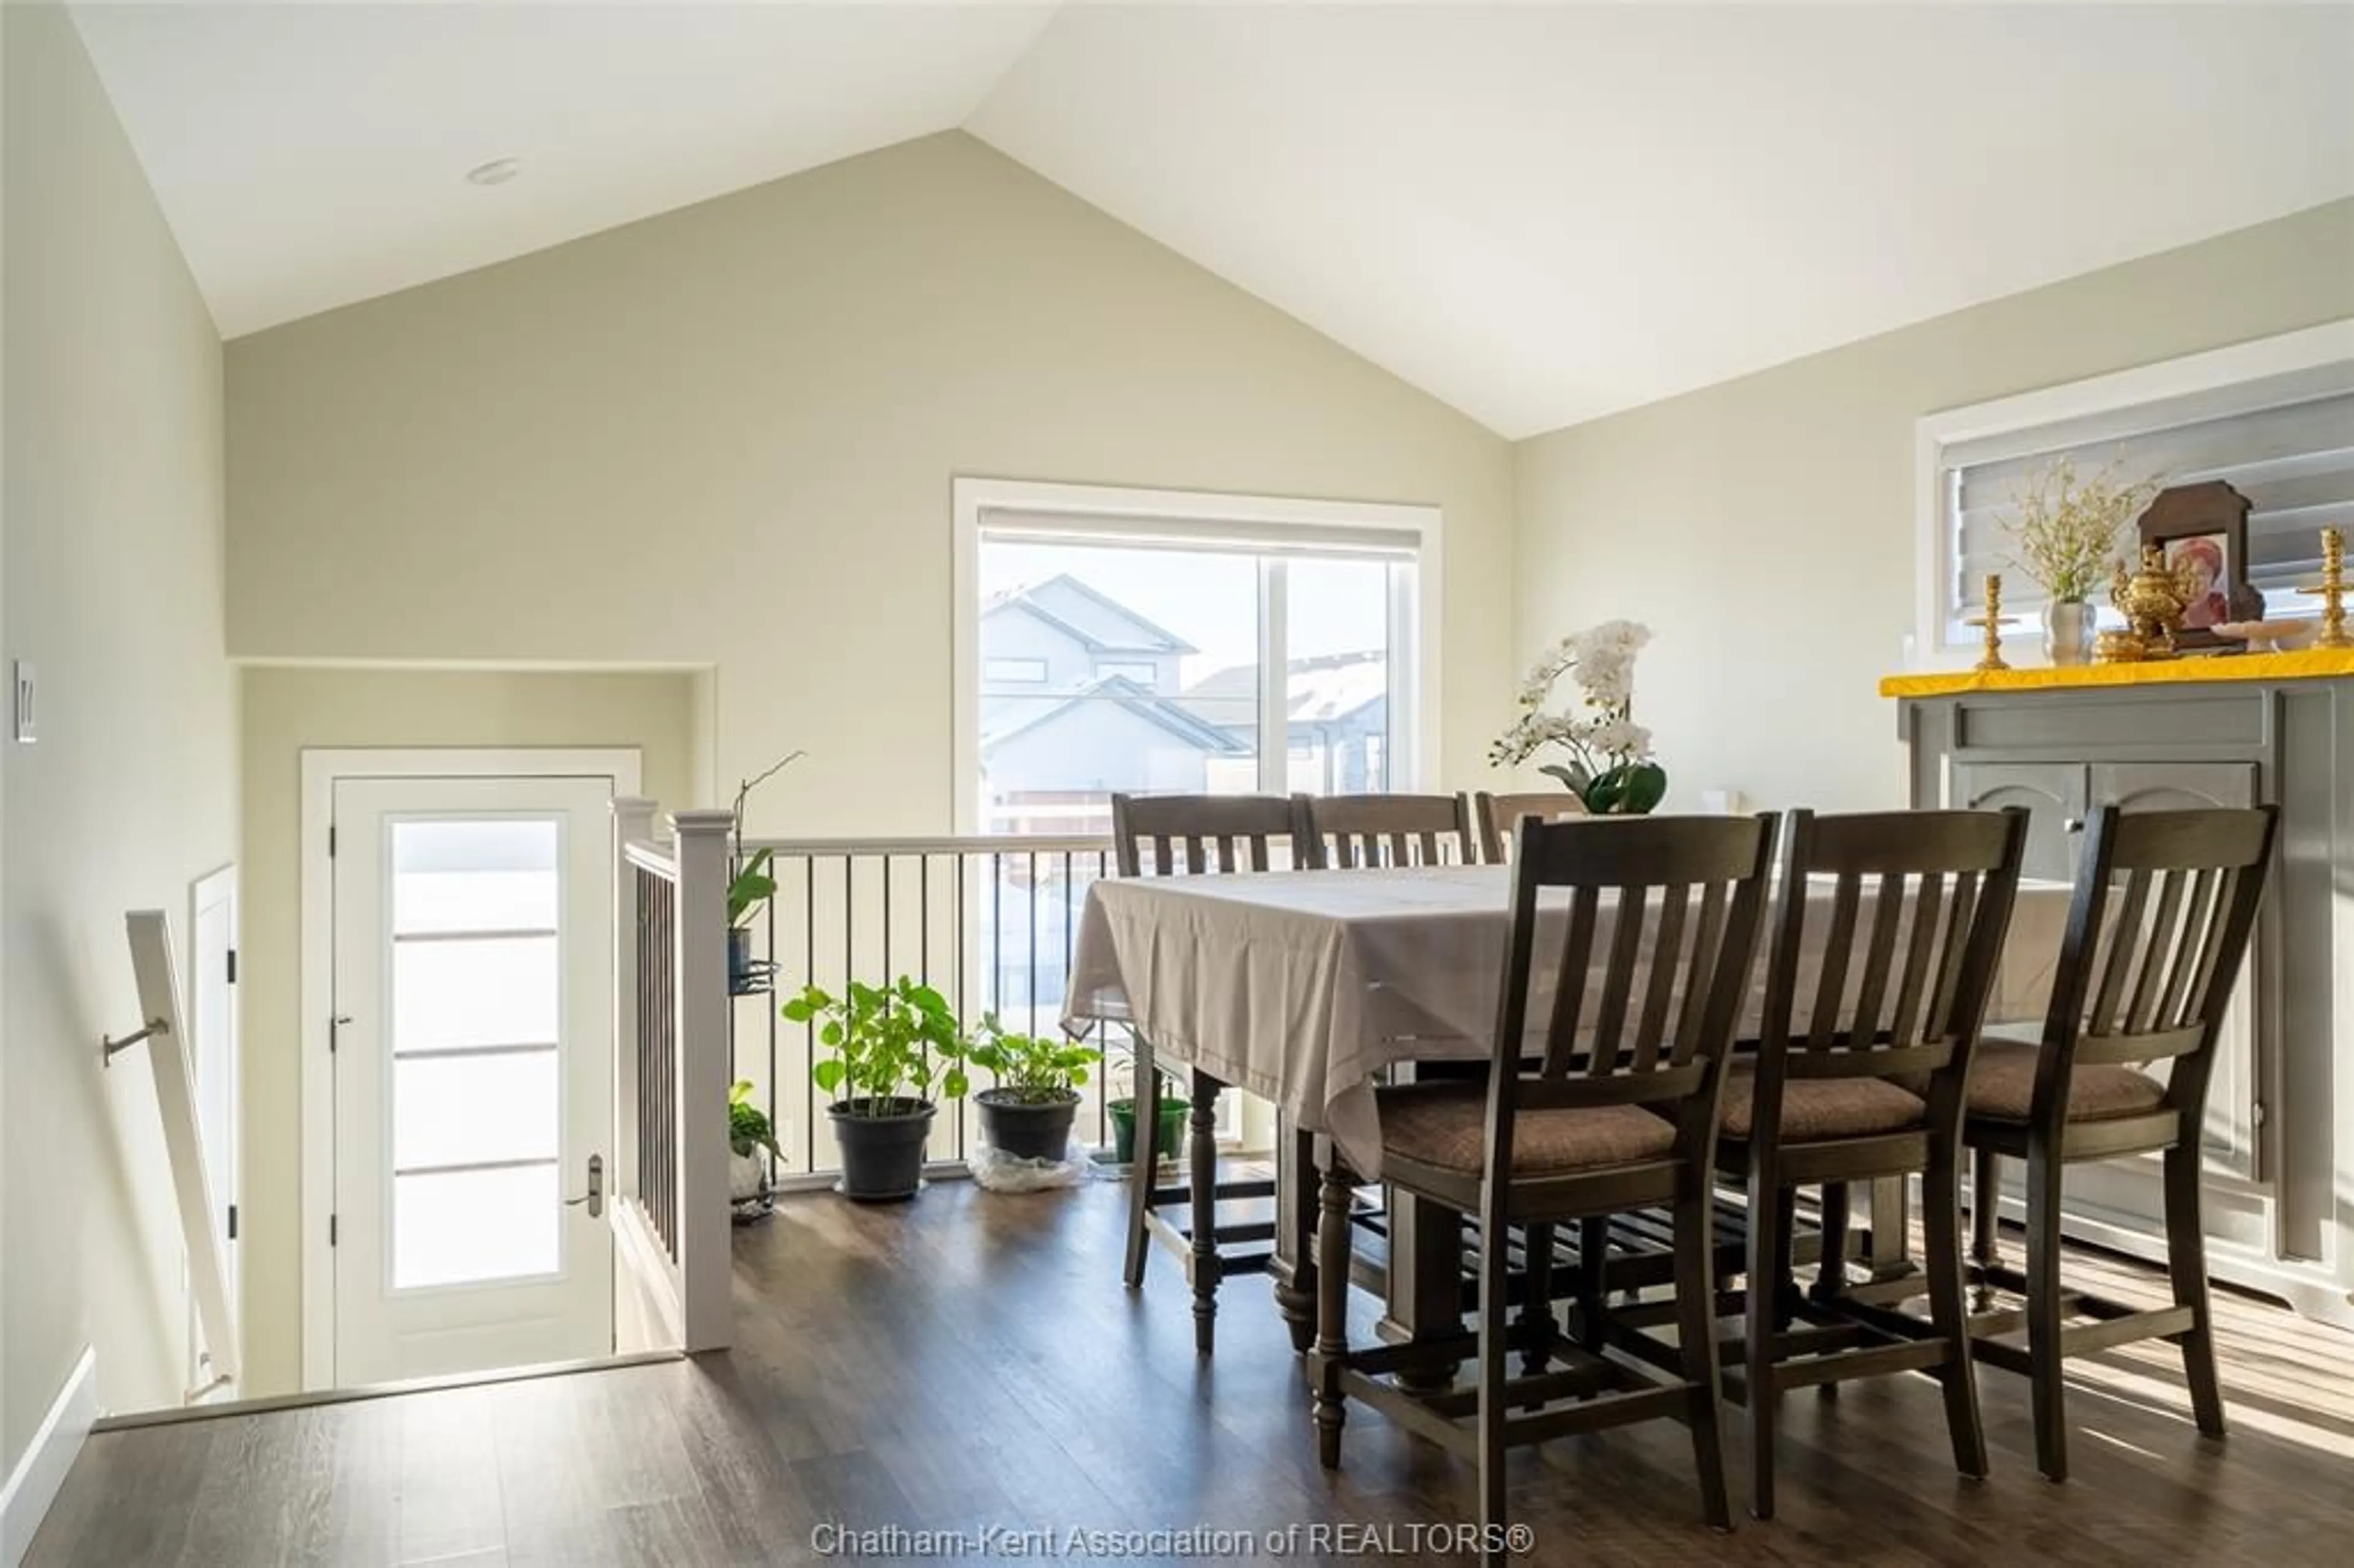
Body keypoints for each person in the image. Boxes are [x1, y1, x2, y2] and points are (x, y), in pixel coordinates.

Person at [2171, 535, 2229, 630]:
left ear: (2213, 578)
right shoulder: (2165, 615)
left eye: (2201, 574)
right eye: (2183, 574)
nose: (2192, 585)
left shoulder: (2227, 614)